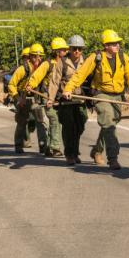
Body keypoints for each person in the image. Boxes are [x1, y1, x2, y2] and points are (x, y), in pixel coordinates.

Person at [62, 29, 129, 170]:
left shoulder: (124, 58)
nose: (117, 45)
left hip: (117, 96)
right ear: (106, 46)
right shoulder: (95, 57)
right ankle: (113, 158)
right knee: (108, 122)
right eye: (113, 43)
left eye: (118, 43)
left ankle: (97, 150)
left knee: (111, 124)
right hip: (101, 95)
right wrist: (68, 88)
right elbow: (80, 74)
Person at [46, 35, 88, 165]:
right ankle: (70, 154)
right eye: (74, 48)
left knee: (80, 126)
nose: (77, 52)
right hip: (66, 101)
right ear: (69, 48)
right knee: (69, 127)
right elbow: (54, 81)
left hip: (81, 100)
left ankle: (75, 151)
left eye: (79, 49)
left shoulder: (86, 61)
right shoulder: (62, 62)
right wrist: (50, 98)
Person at [26, 38, 70, 158]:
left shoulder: (66, 63)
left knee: (57, 122)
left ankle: (49, 148)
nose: (66, 52)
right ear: (56, 52)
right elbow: (37, 76)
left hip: (60, 97)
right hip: (47, 97)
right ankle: (55, 147)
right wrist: (30, 85)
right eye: (63, 50)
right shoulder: (47, 64)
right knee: (54, 119)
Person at [7, 43, 48, 154]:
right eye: (34, 56)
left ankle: (43, 145)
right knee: (22, 122)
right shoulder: (22, 69)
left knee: (40, 121)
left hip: (35, 98)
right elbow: (11, 84)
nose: (37, 59)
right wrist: (18, 98)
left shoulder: (43, 68)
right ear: (30, 56)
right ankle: (18, 145)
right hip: (22, 98)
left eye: (40, 56)